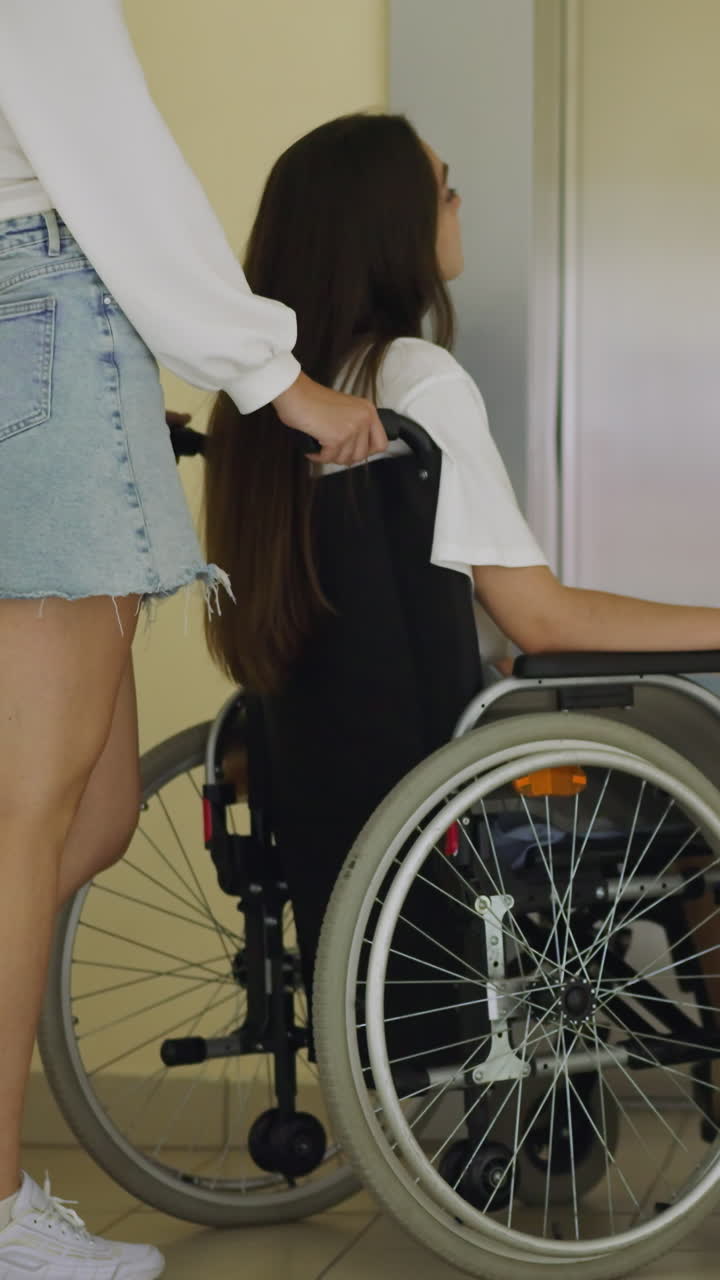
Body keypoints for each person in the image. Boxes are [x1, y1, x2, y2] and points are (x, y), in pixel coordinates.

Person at [203, 112, 720, 1065]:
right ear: (392, 222)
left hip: (344, 768)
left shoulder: (269, 409)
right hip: (462, 766)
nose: (458, 203)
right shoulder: (415, 380)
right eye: (444, 187)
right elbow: (541, 615)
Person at [0, 2, 386, 1275]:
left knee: (94, 809)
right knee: (27, 809)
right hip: (38, 306)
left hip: (35, 321)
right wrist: (277, 377)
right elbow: (113, 155)